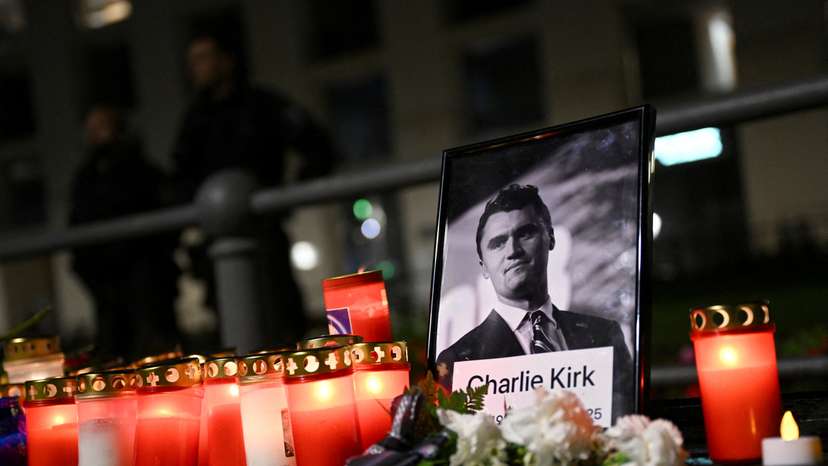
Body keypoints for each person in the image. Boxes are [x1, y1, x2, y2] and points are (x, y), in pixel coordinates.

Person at [171, 30, 337, 344]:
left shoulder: (263, 105)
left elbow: (318, 146)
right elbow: (179, 175)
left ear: (227, 61)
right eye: (192, 61)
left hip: (265, 232)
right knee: (232, 329)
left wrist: (286, 195)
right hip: (215, 240)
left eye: (204, 58)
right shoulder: (194, 121)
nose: (197, 67)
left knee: (281, 318)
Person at [436, 184, 633, 414]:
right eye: (498, 243)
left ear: (550, 238)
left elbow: (628, 420)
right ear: (484, 266)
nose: (513, 250)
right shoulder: (458, 361)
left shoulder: (604, 334)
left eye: (525, 233)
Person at [70, 105, 181, 361]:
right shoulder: (87, 178)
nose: (98, 135)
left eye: (103, 127)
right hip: (107, 284)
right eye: (93, 129)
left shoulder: (140, 170)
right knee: (113, 350)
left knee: (155, 350)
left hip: (146, 276)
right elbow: (78, 225)